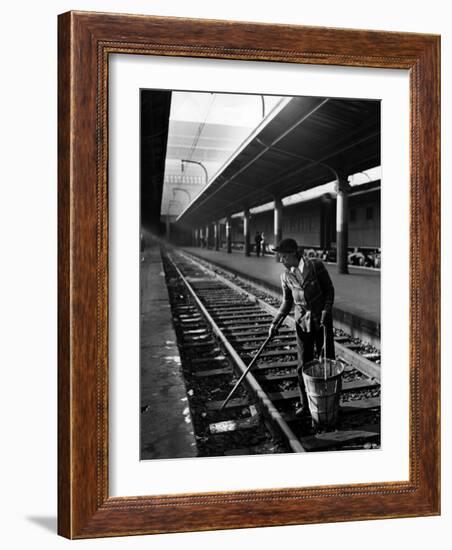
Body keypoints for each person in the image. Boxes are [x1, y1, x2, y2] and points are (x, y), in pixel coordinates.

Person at [268, 238, 335, 416]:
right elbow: (287, 302)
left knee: (327, 362)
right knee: (303, 364)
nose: (280, 260)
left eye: (282, 256)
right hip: (302, 323)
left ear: (292, 254)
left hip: (321, 321)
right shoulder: (285, 276)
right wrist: (275, 322)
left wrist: (326, 310)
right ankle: (306, 405)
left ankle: (330, 403)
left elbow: (329, 290)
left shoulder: (315, 266)